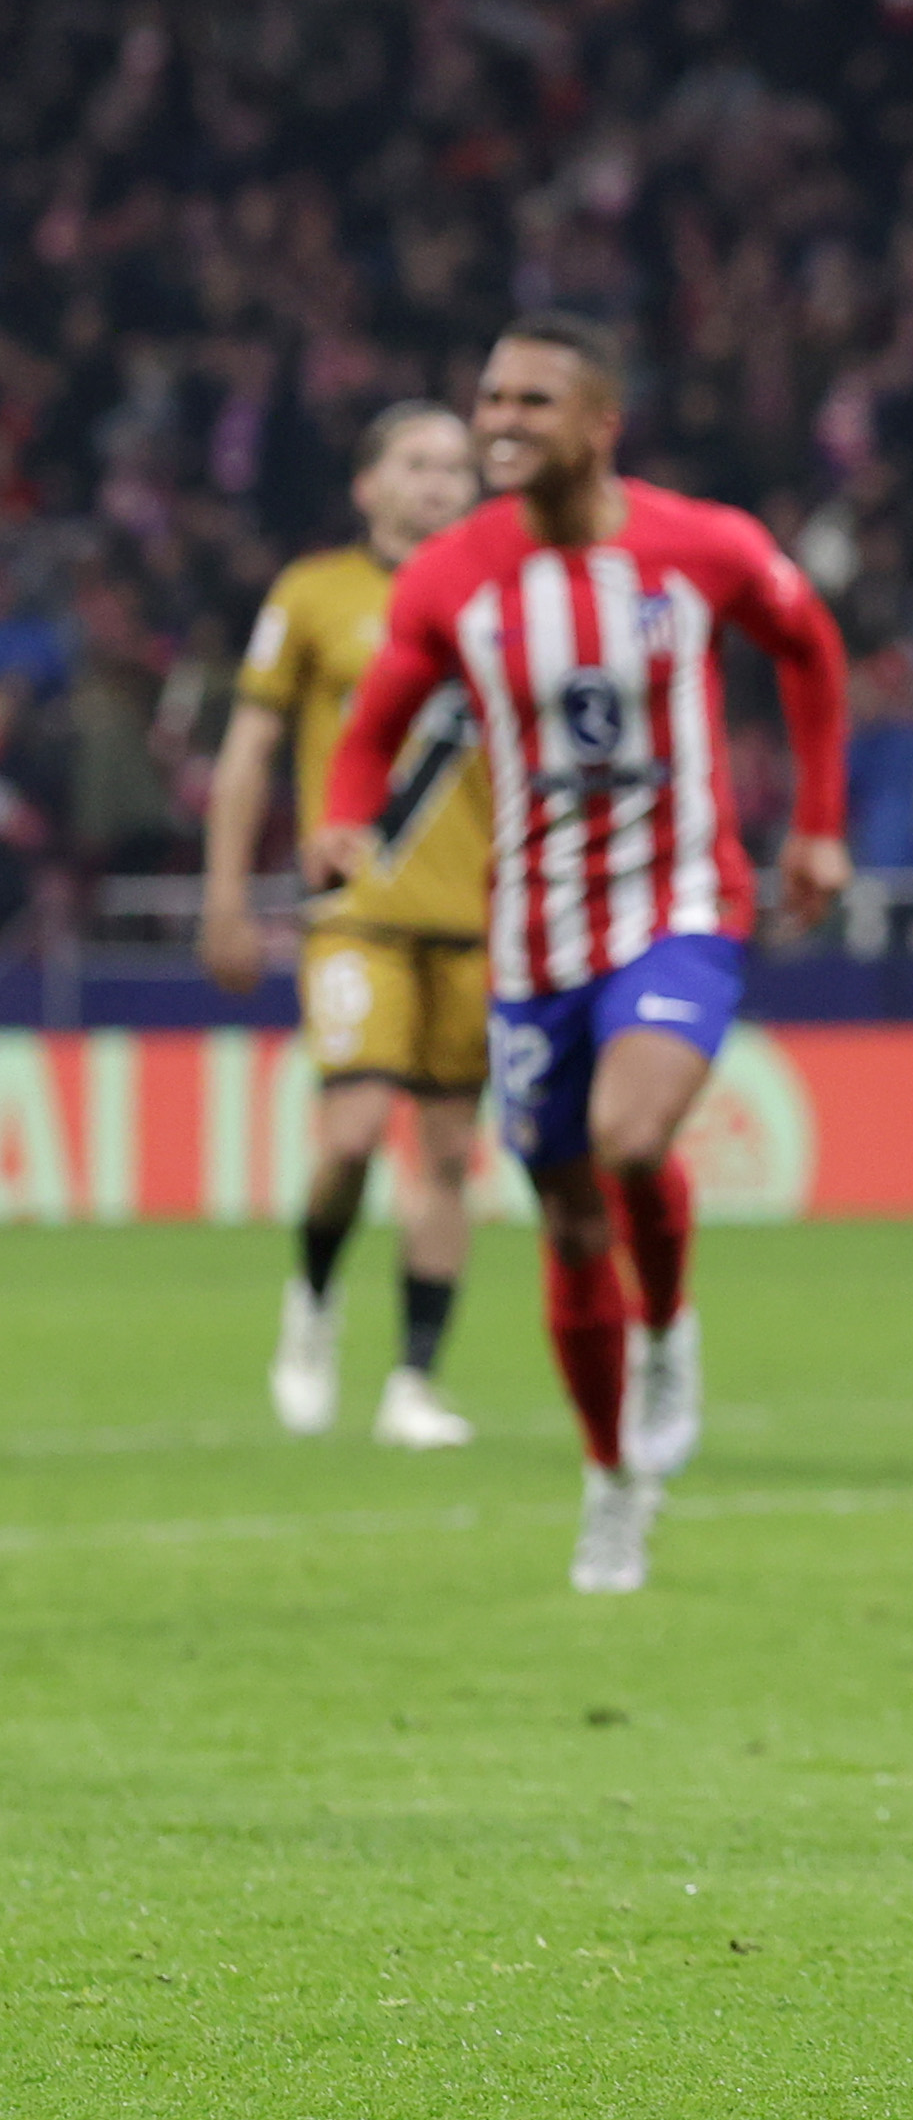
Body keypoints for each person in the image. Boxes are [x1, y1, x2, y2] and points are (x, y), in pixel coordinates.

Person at [312, 316, 851, 1591]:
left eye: (532, 400)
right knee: (562, 1217)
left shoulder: (700, 544)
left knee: (627, 1138)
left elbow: (811, 650)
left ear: (599, 422)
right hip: (532, 927)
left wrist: (818, 827)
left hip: (678, 903)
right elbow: (381, 705)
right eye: (490, 395)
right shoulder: (451, 574)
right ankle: (612, 1480)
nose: (499, 419)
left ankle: (667, 1327)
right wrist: (344, 813)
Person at [201, 403, 491, 1450]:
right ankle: (314, 1302)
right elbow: (246, 753)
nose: (438, 481)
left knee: (451, 1156)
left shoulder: (503, 600)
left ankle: (414, 1380)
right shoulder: (314, 593)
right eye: (415, 462)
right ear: (367, 484)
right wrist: (226, 897)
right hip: (357, 911)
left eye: (456, 466)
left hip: (479, 918)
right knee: (357, 1130)